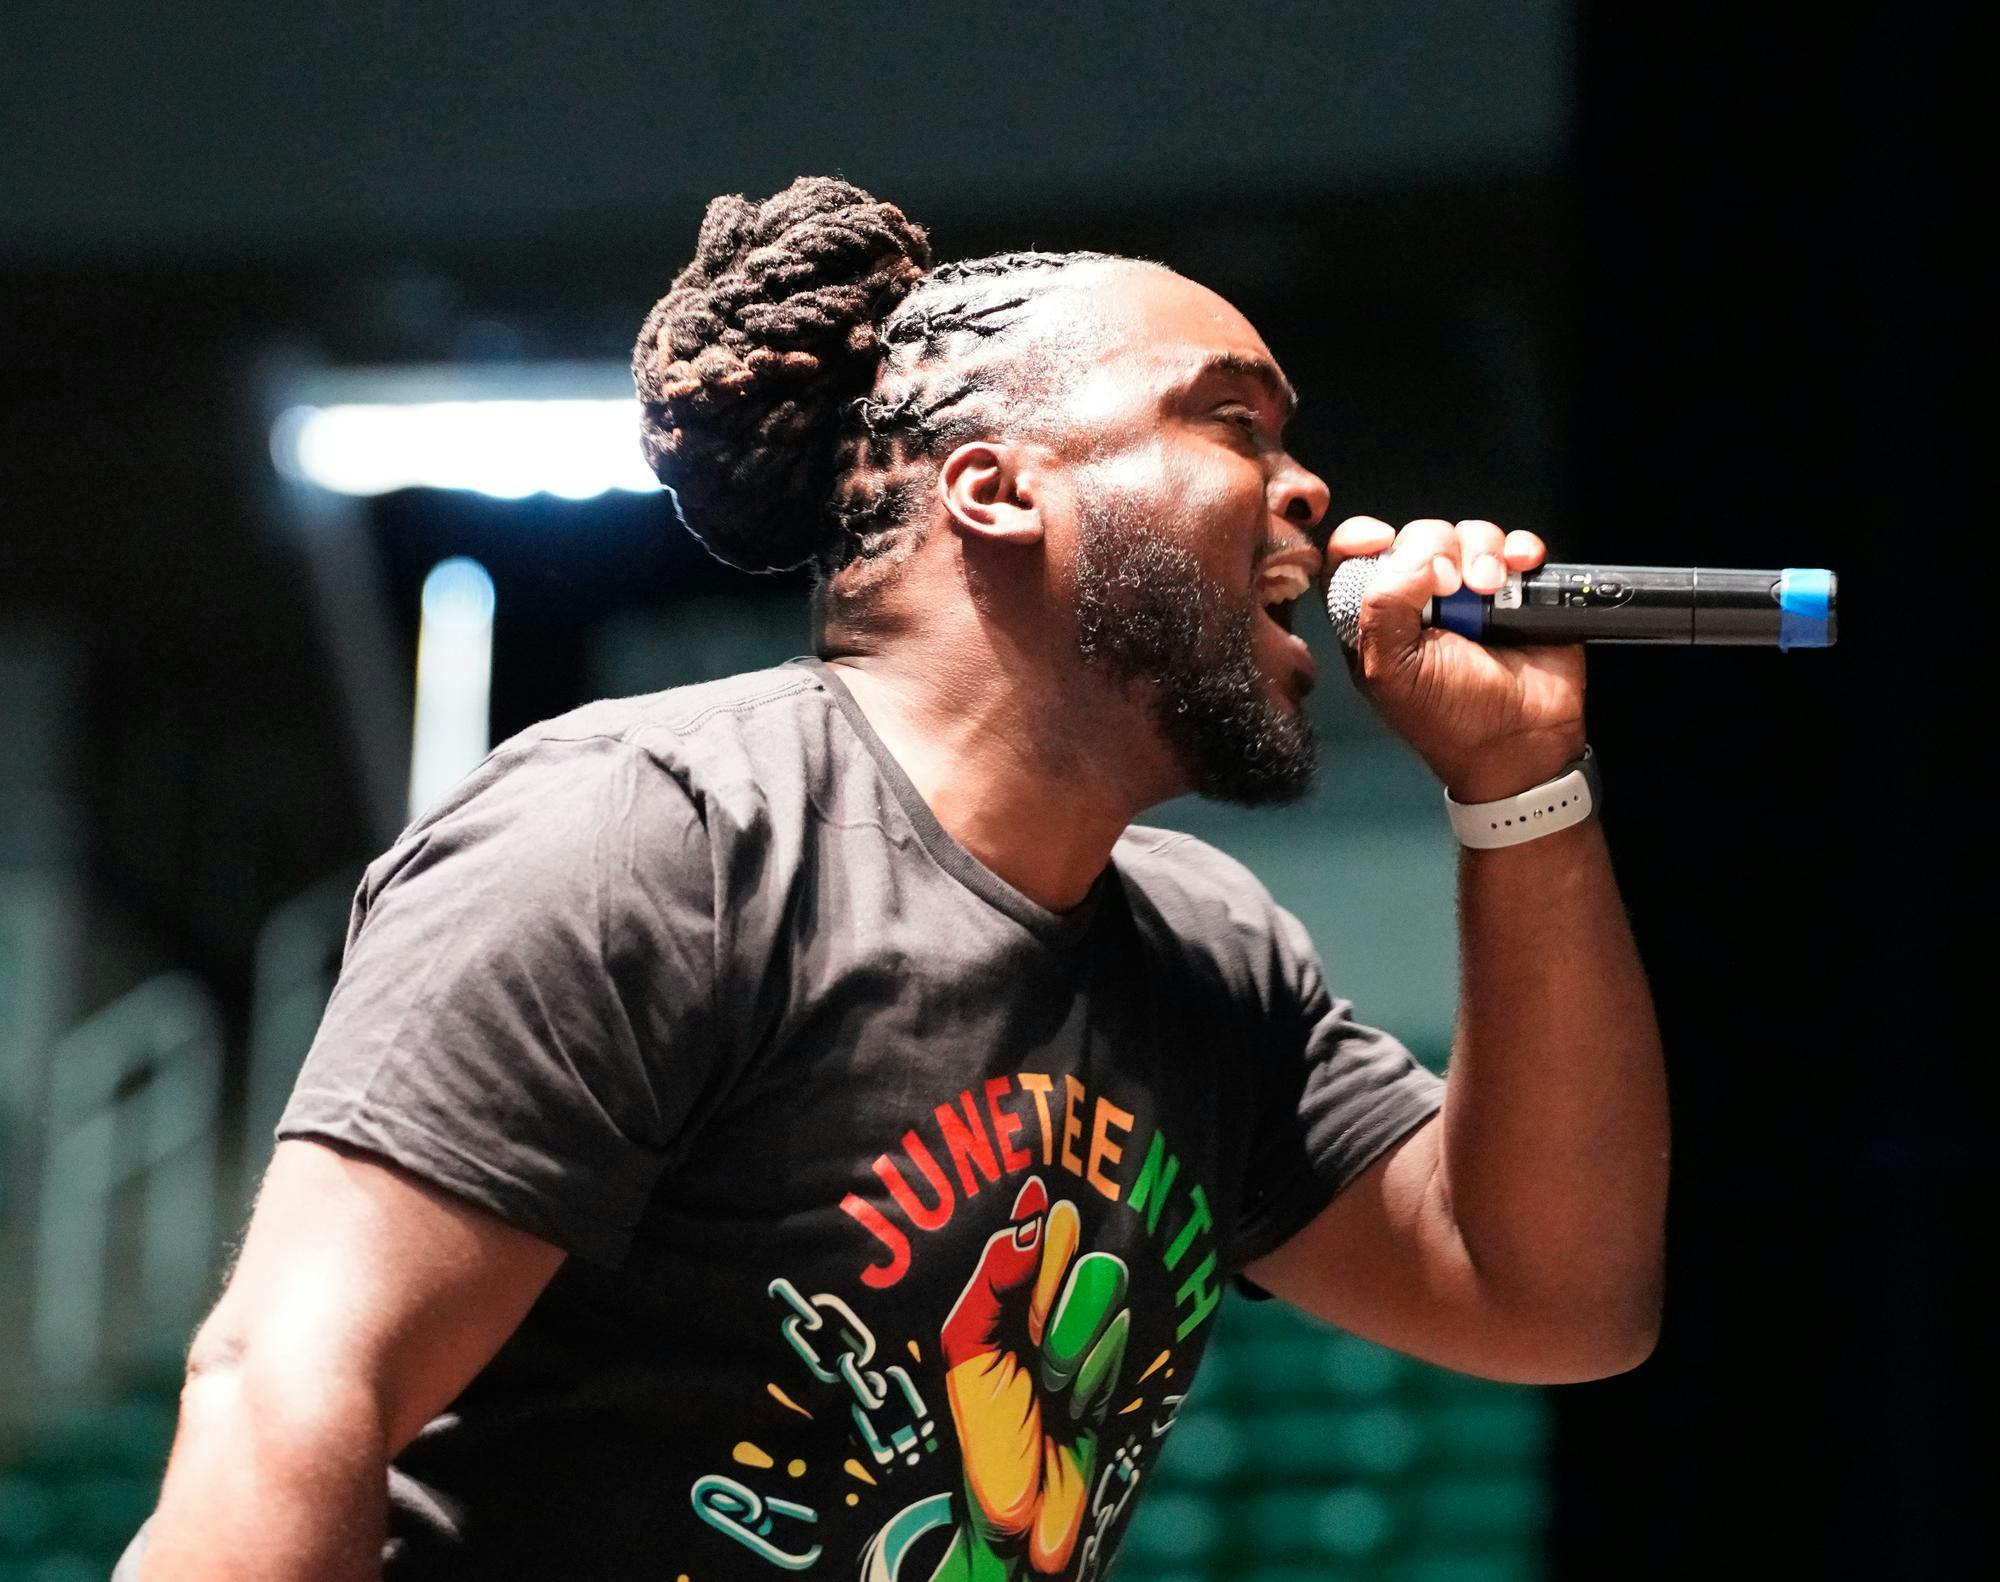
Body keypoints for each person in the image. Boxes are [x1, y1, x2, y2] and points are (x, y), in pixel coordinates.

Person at [123, 177, 1667, 1581]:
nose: (1309, 489)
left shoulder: (1215, 957)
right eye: (1236, 427)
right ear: (996, 491)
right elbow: (289, 1393)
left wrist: (1519, 782)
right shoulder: (654, 838)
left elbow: (1552, 1297)